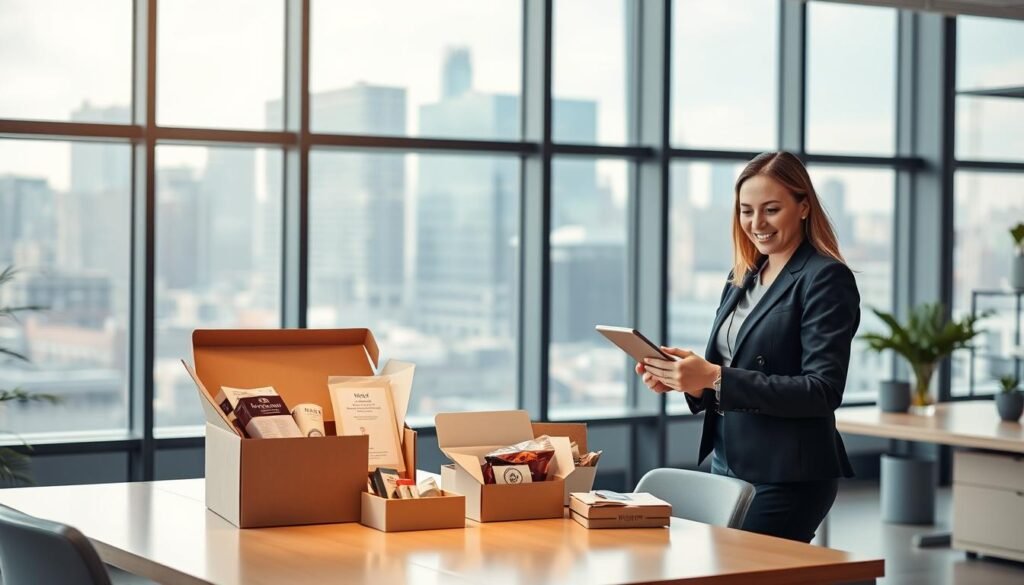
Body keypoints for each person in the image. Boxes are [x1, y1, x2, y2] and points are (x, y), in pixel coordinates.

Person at [636, 151, 859, 543]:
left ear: (803, 206)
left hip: (787, 475)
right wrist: (689, 379)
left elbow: (822, 390)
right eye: (746, 211)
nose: (757, 224)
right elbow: (730, 368)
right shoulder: (743, 274)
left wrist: (716, 376)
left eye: (771, 209)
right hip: (727, 461)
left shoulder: (825, 278)